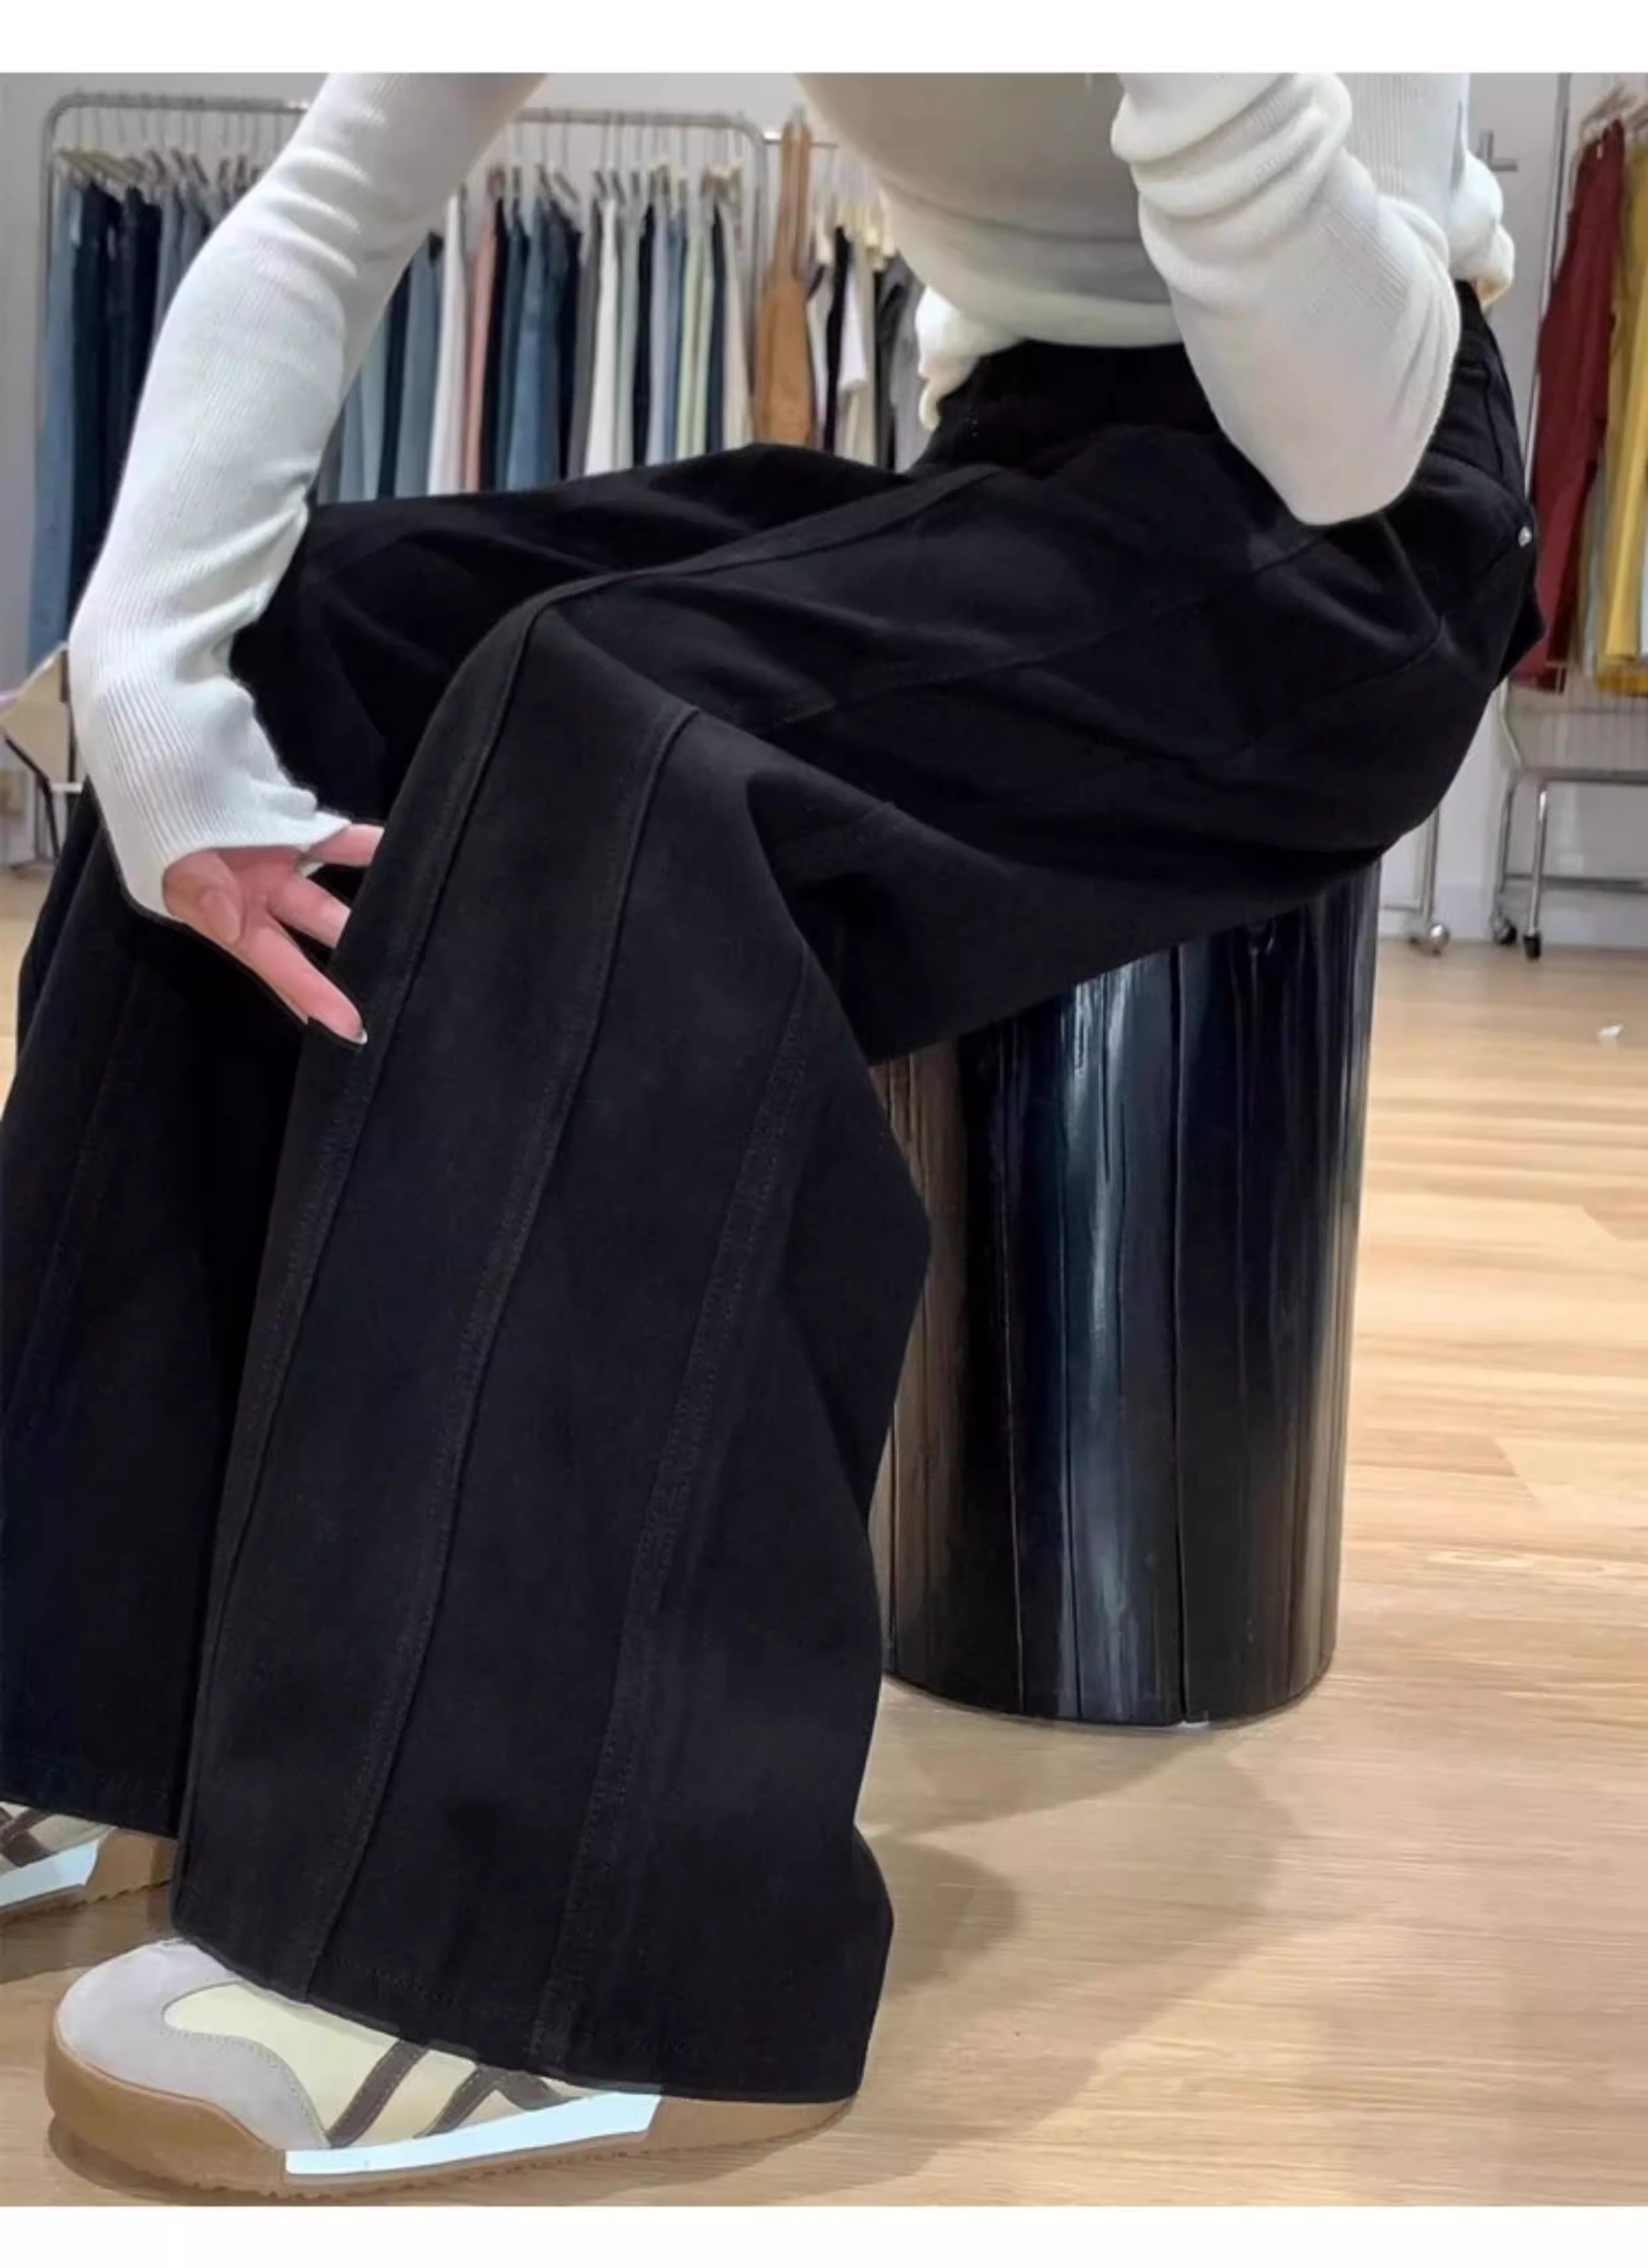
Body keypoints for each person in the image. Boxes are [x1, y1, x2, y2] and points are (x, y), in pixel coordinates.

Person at [1, 72, 1539, 2196]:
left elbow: (1349, 429)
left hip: (1354, 518)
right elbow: (332, 204)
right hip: (1018, 459)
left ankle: (552, 1946)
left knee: (624, 733)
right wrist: (155, 685)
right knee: (303, 646)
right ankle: (82, 1707)